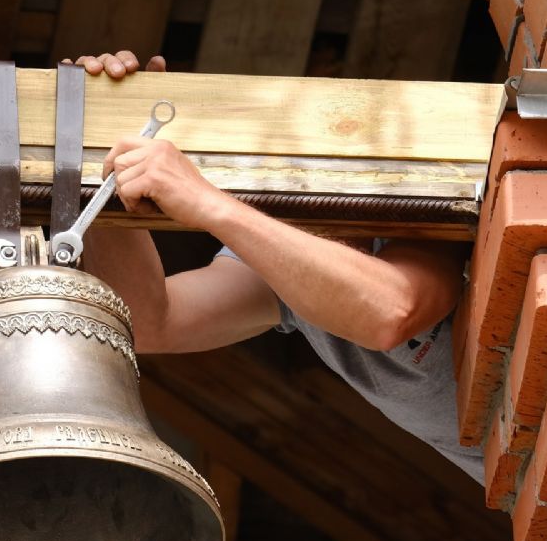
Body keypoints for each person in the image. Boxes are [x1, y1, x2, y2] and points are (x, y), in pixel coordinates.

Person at [70, 50, 481, 481]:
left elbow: (389, 310)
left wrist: (206, 202)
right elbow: (152, 322)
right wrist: (104, 168)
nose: (305, 167)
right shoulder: (278, 265)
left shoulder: (429, 211)